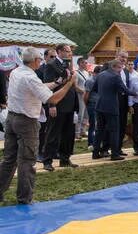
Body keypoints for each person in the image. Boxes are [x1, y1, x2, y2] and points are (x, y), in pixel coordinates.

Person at [0, 47, 76, 204]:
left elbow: (38, 88)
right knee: (27, 161)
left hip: (12, 119)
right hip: (26, 122)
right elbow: (52, 99)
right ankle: (24, 198)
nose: (41, 62)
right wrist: (69, 85)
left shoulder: (17, 72)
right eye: (40, 60)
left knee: (9, 159)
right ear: (35, 61)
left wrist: (57, 82)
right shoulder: (31, 77)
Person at [42, 43, 78, 171]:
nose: (69, 53)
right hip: (58, 103)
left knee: (68, 134)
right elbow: (48, 87)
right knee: (53, 133)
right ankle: (47, 160)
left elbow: (72, 85)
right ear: (59, 52)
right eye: (67, 51)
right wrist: (52, 105)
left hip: (69, 103)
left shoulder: (68, 65)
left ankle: (65, 158)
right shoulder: (51, 65)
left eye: (70, 51)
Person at [92, 60, 135, 161]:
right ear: (114, 67)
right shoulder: (116, 76)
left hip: (100, 106)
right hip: (111, 107)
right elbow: (125, 90)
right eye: (120, 68)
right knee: (114, 131)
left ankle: (95, 153)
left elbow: (94, 89)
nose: (121, 70)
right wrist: (136, 93)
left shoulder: (101, 75)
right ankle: (114, 154)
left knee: (99, 130)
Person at [83, 66, 102, 150]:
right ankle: (90, 143)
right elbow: (86, 95)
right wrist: (86, 104)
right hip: (92, 104)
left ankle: (96, 142)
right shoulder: (90, 81)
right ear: (95, 73)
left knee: (98, 124)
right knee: (93, 124)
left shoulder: (99, 80)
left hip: (99, 104)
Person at [74, 57, 89, 140]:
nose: (86, 64)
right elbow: (75, 86)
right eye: (84, 62)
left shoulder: (86, 73)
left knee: (86, 114)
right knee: (80, 114)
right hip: (80, 96)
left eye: (86, 63)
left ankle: (83, 131)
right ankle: (77, 132)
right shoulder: (76, 73)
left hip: (86, 96)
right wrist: (83, 91)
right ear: (80, 63)